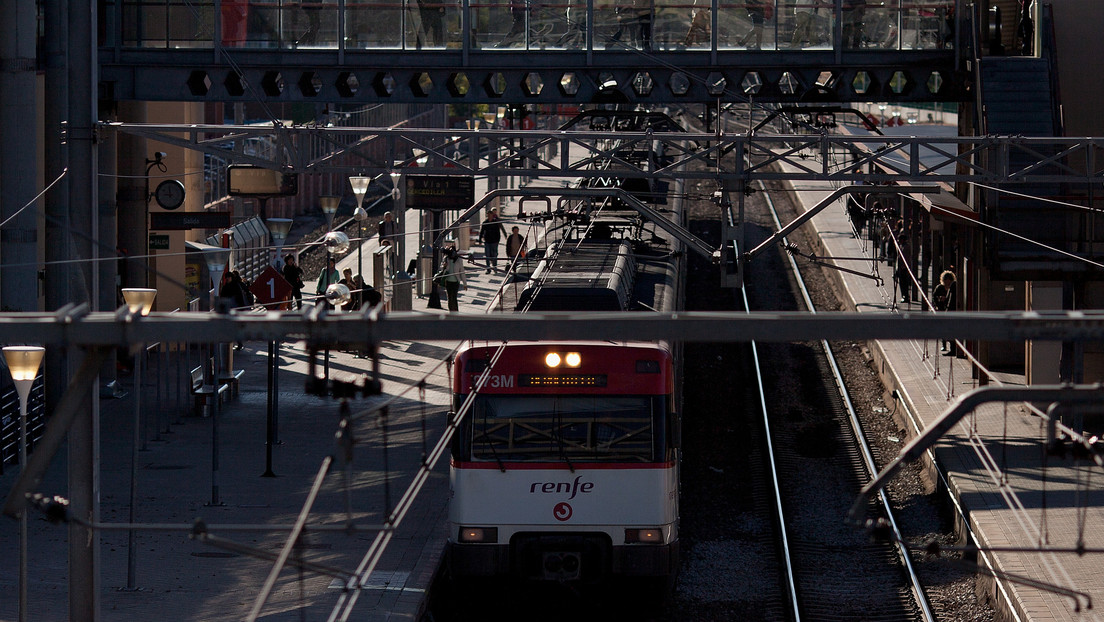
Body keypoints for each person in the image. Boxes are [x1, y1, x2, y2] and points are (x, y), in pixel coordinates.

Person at [219, 271, 249, 349]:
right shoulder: (226, 287)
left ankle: (239, 343)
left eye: (228, 277)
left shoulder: (236, 286)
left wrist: (242, 309)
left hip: (235, 309)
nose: (227, 279)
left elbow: (240, 298)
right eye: (226, 278)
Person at [477, 208, 508, 273]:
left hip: (494, 241)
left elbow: (499, 230)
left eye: (490, 215)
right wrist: (480, 240)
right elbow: (482, 231)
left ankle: (494, 267)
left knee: (494, 255)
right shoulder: (485, 223)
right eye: (488, 215)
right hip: (487, 241)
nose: (489, 216)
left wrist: (499, 238)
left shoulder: (495, 222)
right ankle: (488, 269)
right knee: (487, 255)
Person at [933, 270, 957, 352]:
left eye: (949, 279)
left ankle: (952, 347)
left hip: (950, 311)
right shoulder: (939, 288)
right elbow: (934, 297)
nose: (947, 281)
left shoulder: (953, 288)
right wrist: (939, 300)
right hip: (941, 310)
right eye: (946, 279)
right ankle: (944, 344)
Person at [437, 245, 466, 312]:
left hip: (456, 282)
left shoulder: (458, 259)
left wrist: (465, 284)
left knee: (454, 297)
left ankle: (455, 311)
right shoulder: (446, 258)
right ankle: (451, 312)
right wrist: (444, 266)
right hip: (448, 281)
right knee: (450, 298)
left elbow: (462, 271)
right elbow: (441, 268)